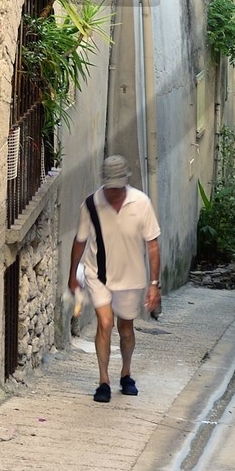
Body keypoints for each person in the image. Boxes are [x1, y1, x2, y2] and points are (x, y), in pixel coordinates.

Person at [69, 154, 162, 404]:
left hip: (131, 277)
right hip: (97, 274)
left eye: (118, 188)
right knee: (105, 323)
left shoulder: (141, 203)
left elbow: (152, 245)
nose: (113, 193)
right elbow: (79, 242)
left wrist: (154, 284)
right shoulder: (91, 205)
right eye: (110, 188)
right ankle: (103, 381)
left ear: (125, 183)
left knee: (127, 329)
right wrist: (72, 275)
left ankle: (126, 373)